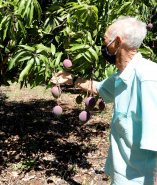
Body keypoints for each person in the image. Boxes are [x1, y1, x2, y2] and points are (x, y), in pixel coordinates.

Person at [51, 16, 157, 185]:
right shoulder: (121, 77)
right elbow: (98, 88)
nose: (103, 45)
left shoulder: (148, 78)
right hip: (120, 175)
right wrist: (71, 79)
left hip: (140, 180)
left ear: (117, 42)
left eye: (104, 40)